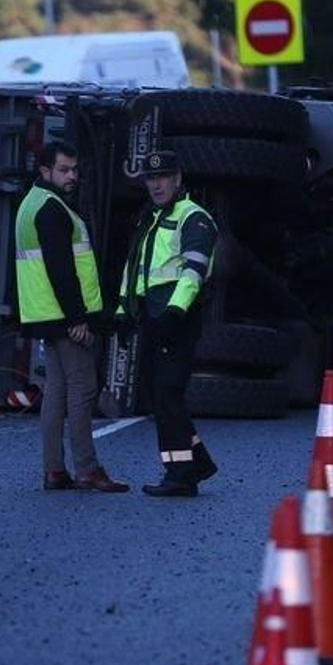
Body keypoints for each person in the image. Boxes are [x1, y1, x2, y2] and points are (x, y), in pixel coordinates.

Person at [14, 142, 128, 493]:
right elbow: (61, 270)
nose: (72, 176)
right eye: (64, 170)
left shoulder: (32, 203)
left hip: (45, 313)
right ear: (45, 170)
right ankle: (87, 469)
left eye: (75, 170)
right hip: (65, 316)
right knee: (82, 389)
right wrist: (78, 318)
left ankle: (54, 470)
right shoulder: (51, 209)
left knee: (58, 390)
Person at [117, 149, 220, 498]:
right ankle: (197, 462)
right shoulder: (151, 218)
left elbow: (194, 271)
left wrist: (175, 313)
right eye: (151, 178)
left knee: (167, 394)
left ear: (178, 180)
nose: (156, 184)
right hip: (152, 315)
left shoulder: (195, 218)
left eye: (163, 177)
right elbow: (135, 267)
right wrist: (122, 310)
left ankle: (180, 474)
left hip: (177, 316)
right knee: (159, 393)